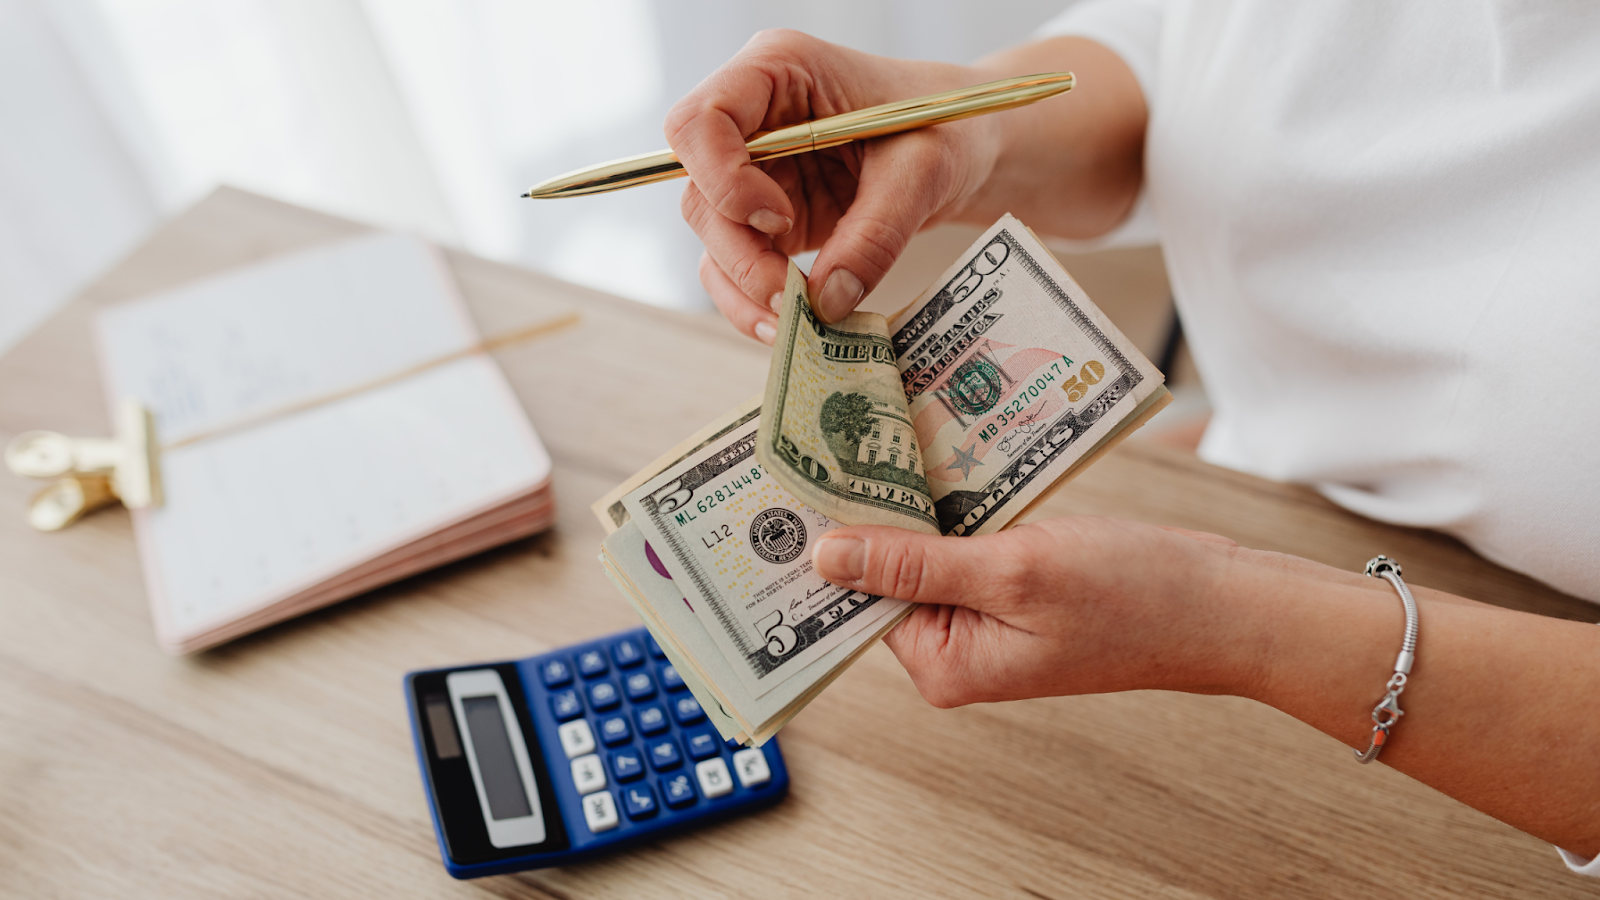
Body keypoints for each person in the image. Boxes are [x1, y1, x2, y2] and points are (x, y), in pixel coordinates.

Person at [661, 0, 1600, 874]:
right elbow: (1187, 63)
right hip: (1262, 496)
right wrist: (970, 122)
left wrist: (1234, 621)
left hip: (1487, 748)